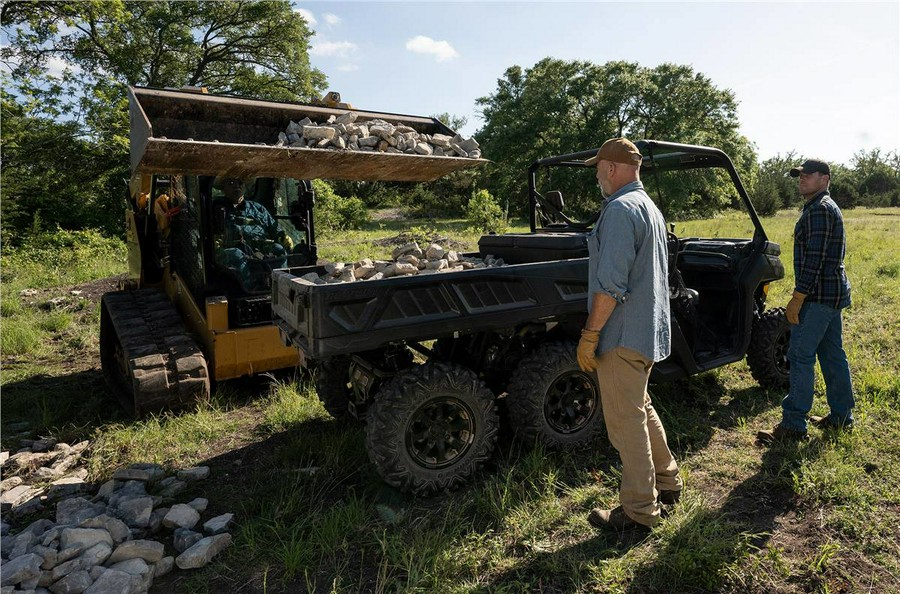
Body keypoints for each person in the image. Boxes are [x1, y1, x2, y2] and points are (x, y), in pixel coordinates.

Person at [577, 138, 682, 533]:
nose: (597, 176)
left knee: (625, 423)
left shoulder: (620, 209)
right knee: (641, 408)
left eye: (599, 168)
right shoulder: (647, 206)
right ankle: (668, 483)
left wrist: (590, 334)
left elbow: (611, 285)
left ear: (612, 168)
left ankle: (640, 511)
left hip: (621, 335)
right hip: (646, 331)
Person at [757, 159, 854, 444]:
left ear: (824, 179)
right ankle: (841, 416)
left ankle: (794, 425)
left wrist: (797, 298)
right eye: (800, 175)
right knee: (832, 355)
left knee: (799, 355)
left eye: (808, 175)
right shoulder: (818, 207)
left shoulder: (820, 210)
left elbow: (814, 260)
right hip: (829, 294)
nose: (802, 179)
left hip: (818, 297)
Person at [214, 176, 293, 289]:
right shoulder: (216, 209)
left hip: (260, 252)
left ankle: (281, 290)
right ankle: (248, 290)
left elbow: (275, 228)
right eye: (231, 183)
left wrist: (283, 237)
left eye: (240, 182)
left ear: (245, 187)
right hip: (231, 255)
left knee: (278, 249)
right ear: (223, 188)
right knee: (236, 254)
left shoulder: (258, 209)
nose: (236, 186)